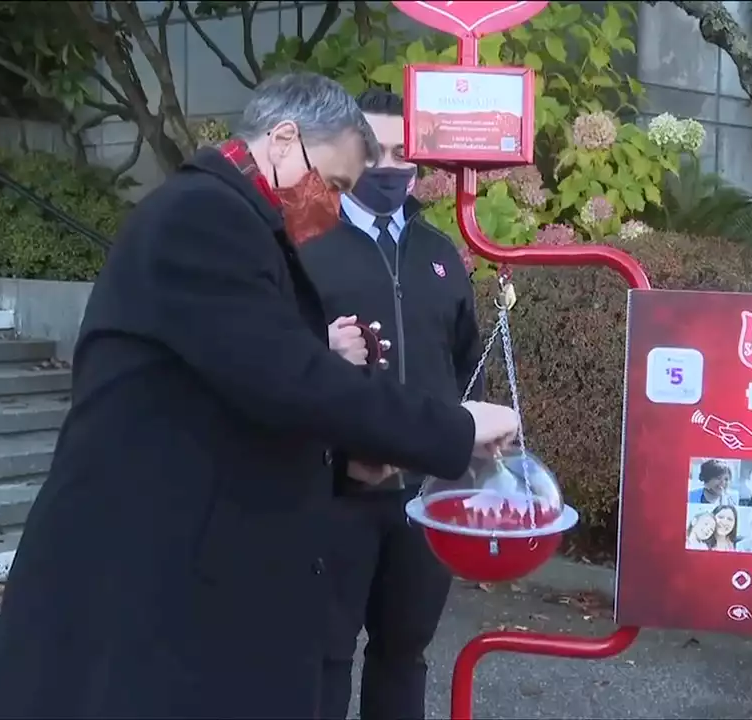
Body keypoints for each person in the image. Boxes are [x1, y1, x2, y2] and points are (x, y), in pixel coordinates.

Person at [0, 73, 522, 720]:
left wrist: (346, 462)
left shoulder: (239, 224)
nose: (331, 207)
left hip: (185, 559)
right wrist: (453, 428)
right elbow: (289, 379)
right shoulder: (201, 217)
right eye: (335, 185)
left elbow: (239, 394)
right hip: (142, 570)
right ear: (285, 140)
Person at [297, 88, 484, 720]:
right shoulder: (308, 249)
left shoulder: (441, 257)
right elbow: (279, 372)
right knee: (322, 655)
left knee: (404, 654)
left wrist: (466, 462)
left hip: (422, 501)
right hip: (334, 496)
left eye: (404, 152)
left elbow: (468, 367)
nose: (389, 166)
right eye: (375, 150)